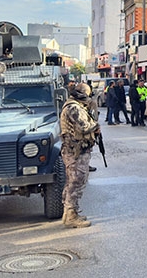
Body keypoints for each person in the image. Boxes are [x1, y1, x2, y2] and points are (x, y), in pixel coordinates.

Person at [59, 83, 100, 228]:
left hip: (76, 150)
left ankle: (69, 213)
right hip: (75, 151)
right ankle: (71, 216)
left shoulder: (77, 106)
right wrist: (95, 124)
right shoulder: (73, 107)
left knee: (73, 182)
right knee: (76, 182)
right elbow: (84, 127)